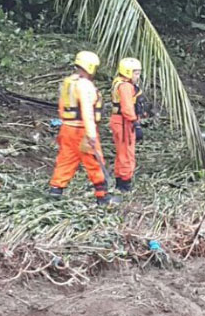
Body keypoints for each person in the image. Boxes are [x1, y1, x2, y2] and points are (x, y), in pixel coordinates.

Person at [48, 51, 111, 205]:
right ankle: (102, 196)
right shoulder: (85, 86)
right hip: (82, 130)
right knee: (94, 162)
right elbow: (87, 112)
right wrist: (91, 135)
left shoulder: (69, 82)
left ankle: (55, 191)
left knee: (65, 160)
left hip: (67, 129)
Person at [110, 57, 144, 193]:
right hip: (124, 123)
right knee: (126, 153)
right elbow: (127, 108)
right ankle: (125, 183)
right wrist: (136, 124)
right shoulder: (125, 86)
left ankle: (120, 180)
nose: (138, 76)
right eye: (136, 73)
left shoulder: (121, 83)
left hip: (120, 121)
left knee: (122, 152)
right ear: (128, 72)